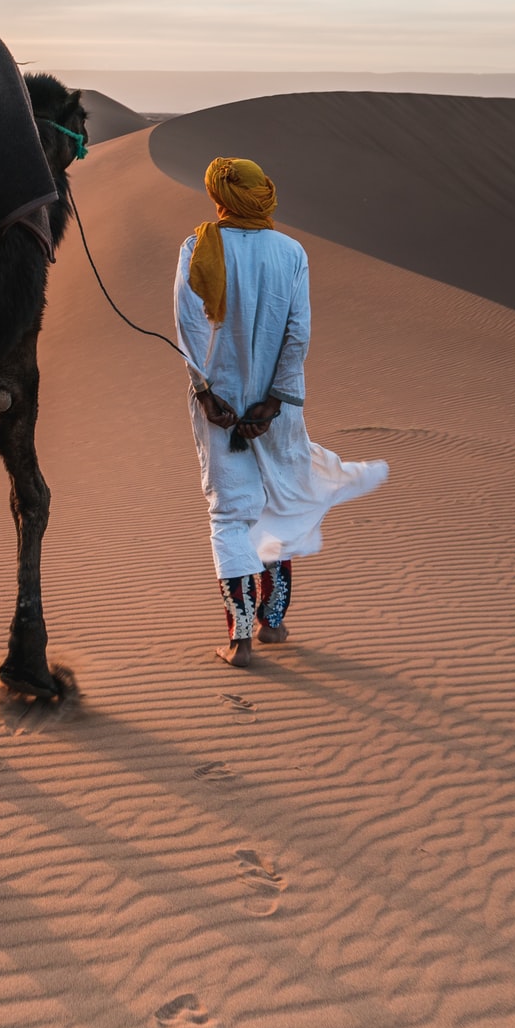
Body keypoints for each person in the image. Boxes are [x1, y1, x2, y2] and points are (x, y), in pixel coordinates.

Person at [175, 156, 388, 669]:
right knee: (279, 504)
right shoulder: (291, 252)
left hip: (218, 408)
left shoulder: (197, 246)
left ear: (219, 196)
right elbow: (298, 332)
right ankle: (273, 624)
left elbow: (186, 323)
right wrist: (274, 403)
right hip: (276, 408)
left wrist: (204, 390)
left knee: (230, 517)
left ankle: (240, 639)